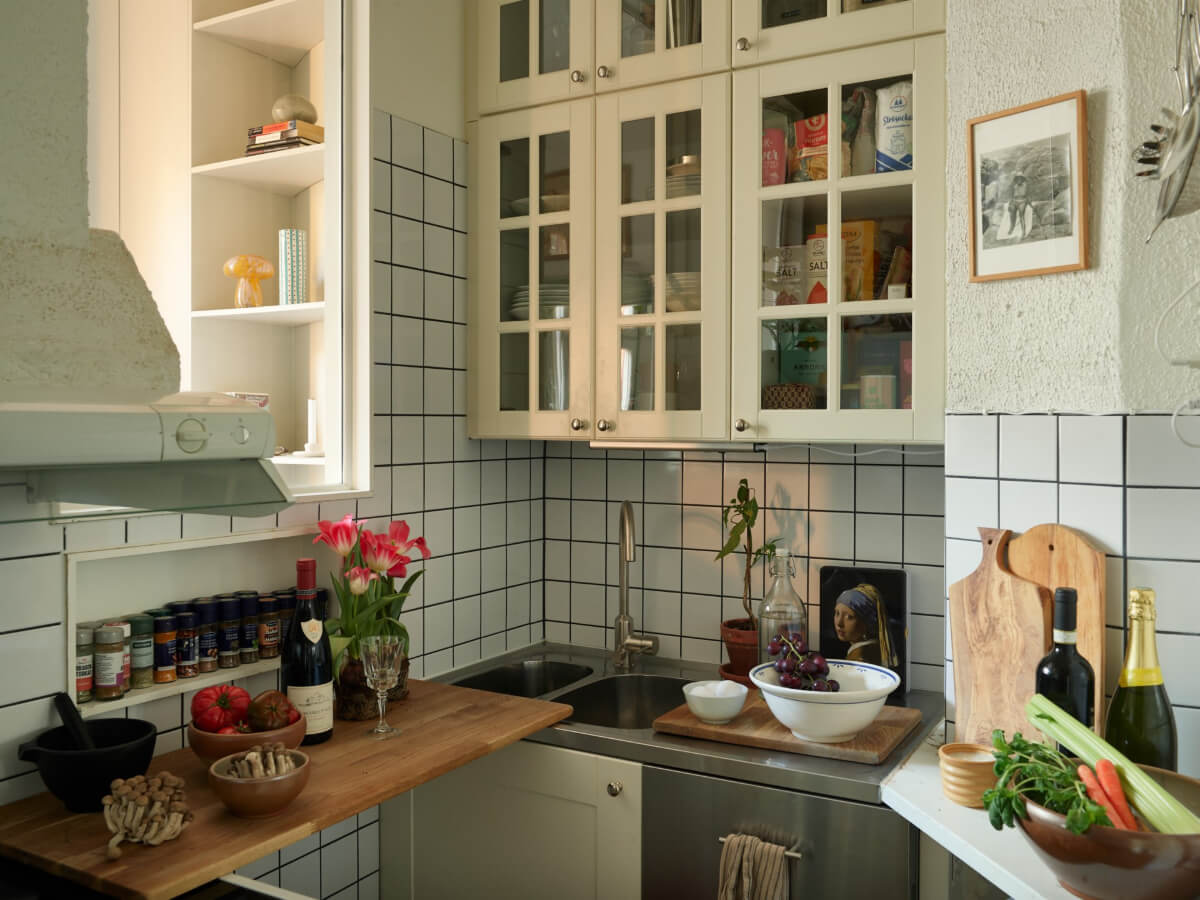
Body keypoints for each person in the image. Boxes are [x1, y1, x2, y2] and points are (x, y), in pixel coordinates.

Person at [832, 583, 898, 668]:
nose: (839, 623)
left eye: (849, 617)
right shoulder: (874, 647)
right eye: (837, 613)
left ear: (867, 621)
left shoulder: (859, 658)